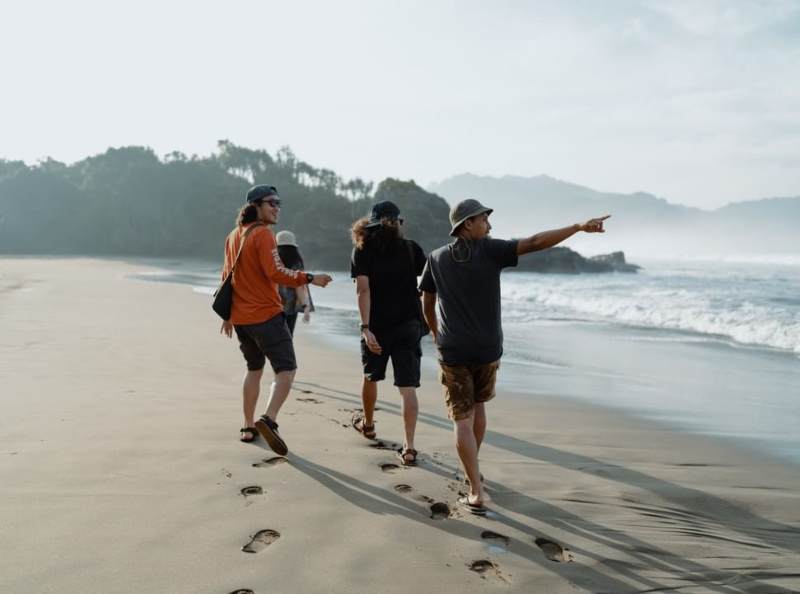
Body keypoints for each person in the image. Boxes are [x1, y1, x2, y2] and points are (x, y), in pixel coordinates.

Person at [419, 198, 609, 514]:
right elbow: (535, 242)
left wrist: (436, 332)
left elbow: (427, 302)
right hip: (487, 348)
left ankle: (475, 489)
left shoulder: (436, 258)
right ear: (468, 223)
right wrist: (577, 227)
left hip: (453, 349)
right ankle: (474, 478)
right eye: (484, 220)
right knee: (477, 408)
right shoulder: (491, 251)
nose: (489, 226)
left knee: (461, 419)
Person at [220, 184, 332, 454]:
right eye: (272, 203)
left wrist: (227, 316)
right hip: (266, 316)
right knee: (287, 369)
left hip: (242, 320)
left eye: (279, 203)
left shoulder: (234, 235)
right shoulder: (264, 235)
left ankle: (248, 426)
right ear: (256, 206)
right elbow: (276, 272)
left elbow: (226, 276)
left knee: (254, 370)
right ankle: (268, 419)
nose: (277, 208)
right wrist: (309, 278)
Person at [350, 201, 427, 466]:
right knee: (407, 388)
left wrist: (365, 328)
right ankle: (409, 447)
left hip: (378, 327)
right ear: (398, 224)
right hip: (408, 324)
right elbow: (428, 283)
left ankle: (368, 425)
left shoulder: (362, 251)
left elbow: (363, 290)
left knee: (371, 377)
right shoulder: (411, 249)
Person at [275, 230, 313, 336]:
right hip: (290, 307)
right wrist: (306, 306)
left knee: (272, 340)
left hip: (272, 305)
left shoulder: (272, 261)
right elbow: (299, 286)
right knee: (287, 337)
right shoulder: (296, 261)